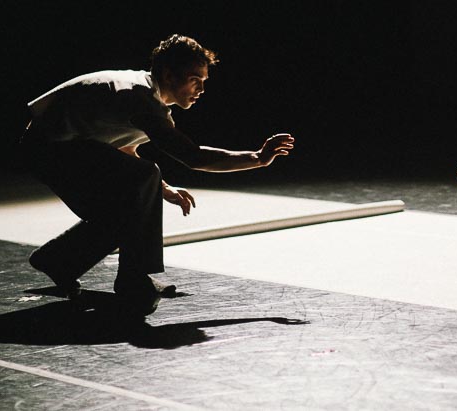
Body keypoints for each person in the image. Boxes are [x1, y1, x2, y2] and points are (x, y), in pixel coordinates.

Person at [19, 34, 295, 316]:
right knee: (140, 188)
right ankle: (135, 280)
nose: (200, 89)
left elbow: (124, 151)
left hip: (60, 149)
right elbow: (193, 157)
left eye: (204, 82)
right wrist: (257, 158)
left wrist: (164, 189)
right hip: (48, 150)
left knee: (130, 208)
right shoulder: (137, 95)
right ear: (168, 74)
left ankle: (57, 260)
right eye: (194, 80)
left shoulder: (147, 100)